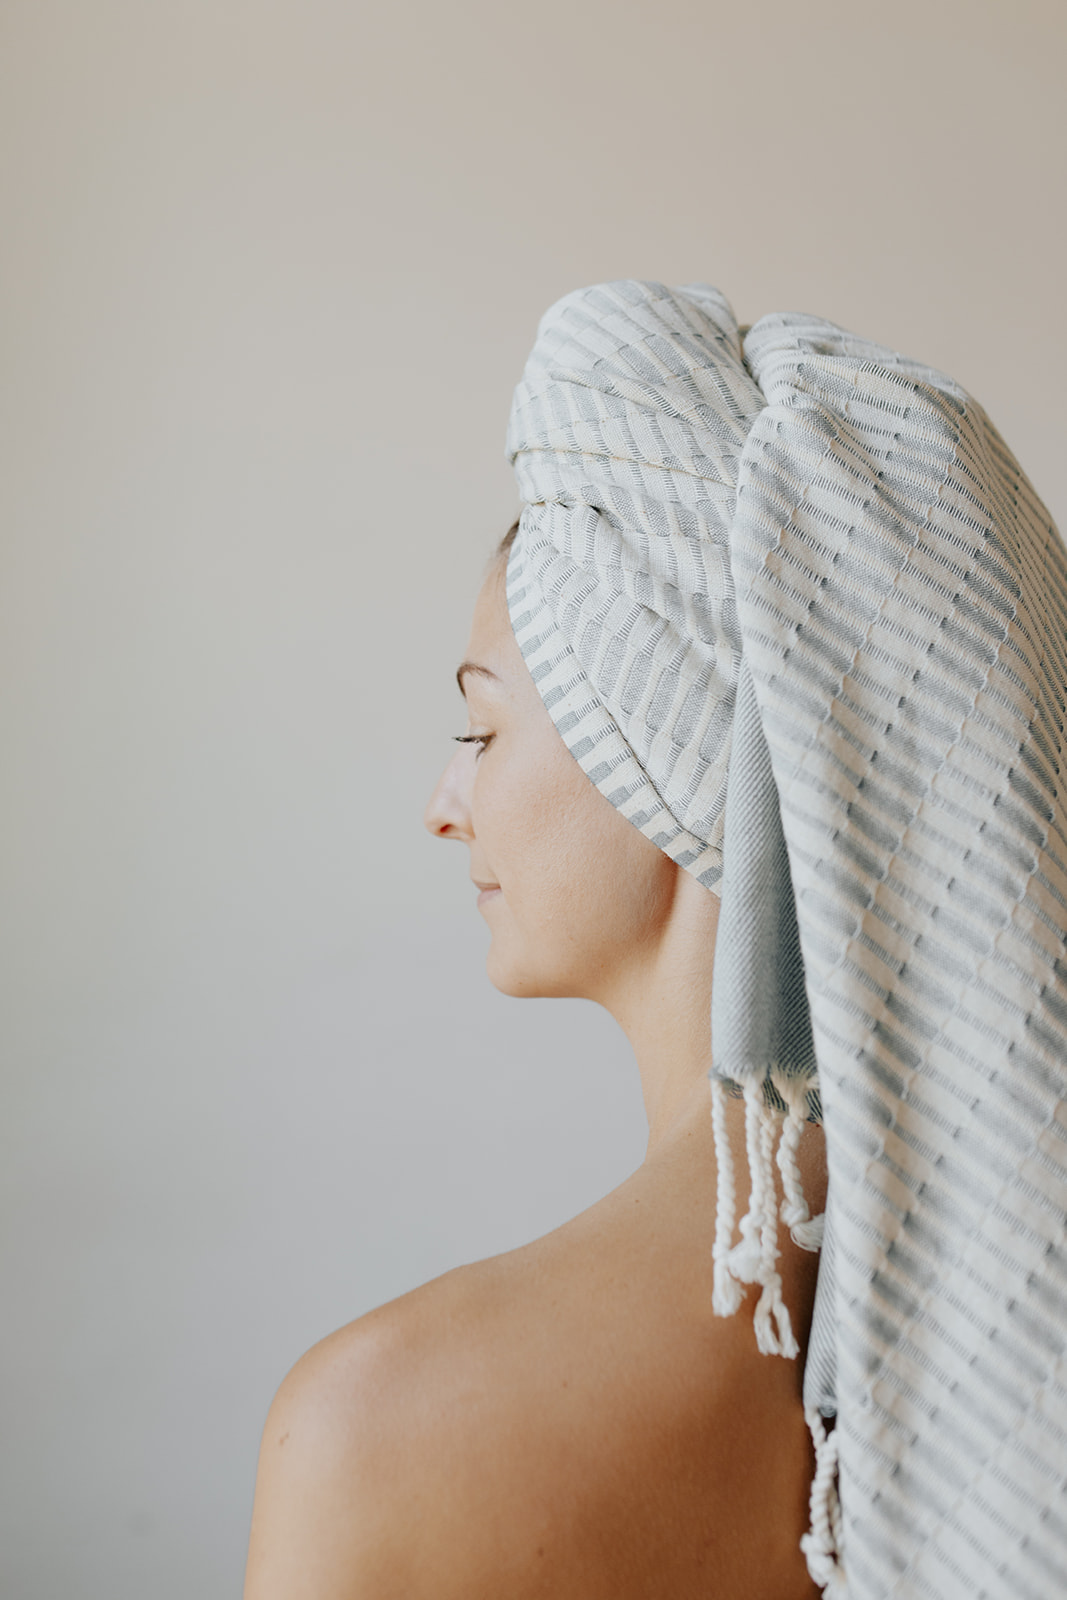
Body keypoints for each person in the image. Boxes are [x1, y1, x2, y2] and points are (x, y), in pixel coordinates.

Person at [244, 281, 1067, 1600]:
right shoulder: (1019, 1355)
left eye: (480, 729)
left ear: (667, 760)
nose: (443, 807)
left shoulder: (371, 1428)